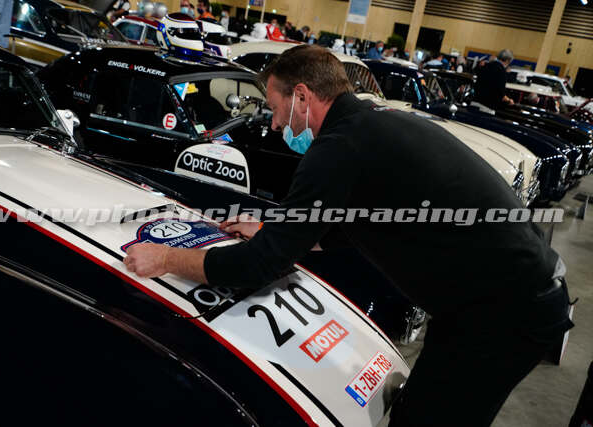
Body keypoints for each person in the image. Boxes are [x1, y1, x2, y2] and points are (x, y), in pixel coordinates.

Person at [123, 45, 573, 426]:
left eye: (276, 108)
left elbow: (259, 265)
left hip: (503, 314)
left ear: (302, 96)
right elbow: (348, 222)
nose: (275, 124)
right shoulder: (372, 123)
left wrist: (165, 259)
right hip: (506, 297)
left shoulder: (338, 148)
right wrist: (271, 228)